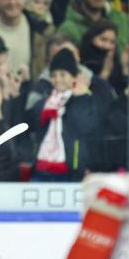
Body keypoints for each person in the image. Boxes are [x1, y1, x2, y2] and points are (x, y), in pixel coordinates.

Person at [29, 48, 98, 181]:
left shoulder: (85, 100)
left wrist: (80, 98)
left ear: (74, 77)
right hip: (41, 169)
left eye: (62, 74)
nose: (57, 79)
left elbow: (85, 127)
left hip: (70, 170)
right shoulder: (43, 103)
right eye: (54, 75)